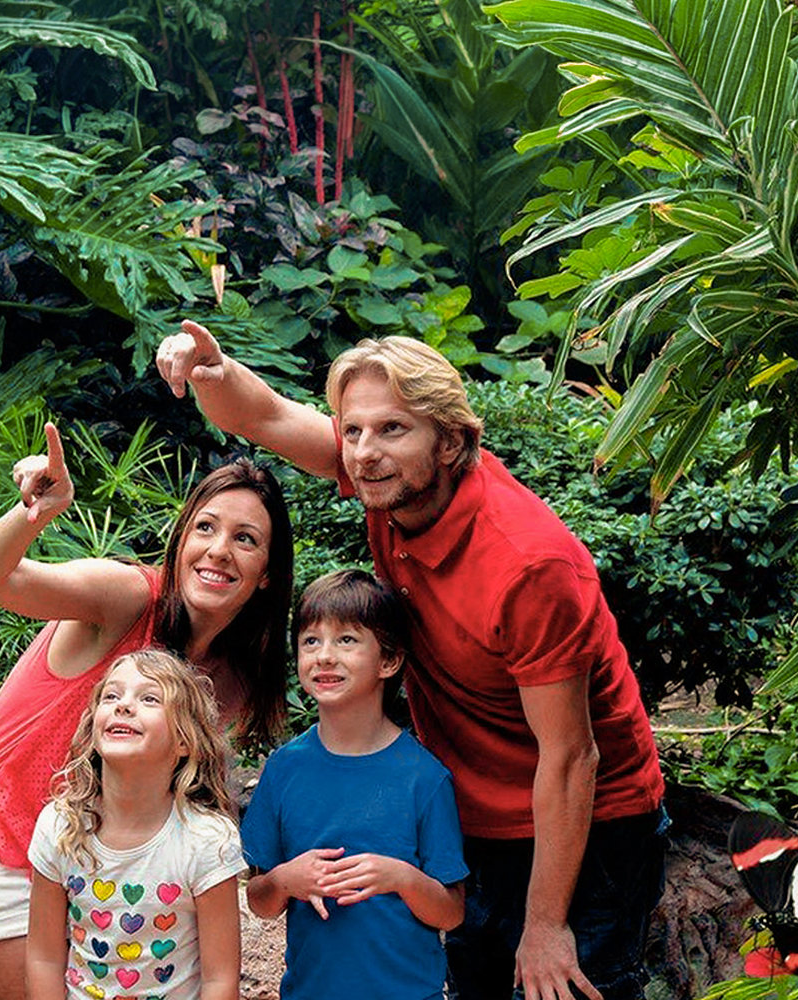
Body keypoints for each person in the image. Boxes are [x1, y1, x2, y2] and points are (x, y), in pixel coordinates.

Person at [156, 322, 667, 1000]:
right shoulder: (393, 483)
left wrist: (545, 924)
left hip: (585, 831)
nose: (364, 454)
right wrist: (211, 371)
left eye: (393, 429)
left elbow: (572, 758)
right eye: (353, 431)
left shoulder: (527, 566)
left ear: (451, 441)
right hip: (474, 813)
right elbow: (269, 414)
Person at [0, 421, 294, 998]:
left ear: (267, 573)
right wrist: (38, 513)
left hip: (112, 864)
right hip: (4, 838)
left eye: (245, 539)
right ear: (181, 540)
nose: (219, 549)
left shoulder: (231, 681)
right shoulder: (127, 597)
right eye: (205, 528)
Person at [243, 568, 467, 1000]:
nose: (324, 656)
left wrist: (401, 877)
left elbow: (452, 912)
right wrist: (287, 880)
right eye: (311, 641)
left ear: (389, 660)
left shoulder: (424, 777)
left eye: (346, 640)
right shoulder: (284, 770)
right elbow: (260, 900)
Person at [26, 649, 245, 1000]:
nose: (123, 705)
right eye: (111, 696)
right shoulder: (61, 827)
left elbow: (220, 980)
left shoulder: (206, 841)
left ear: (185, 741)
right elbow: (43, 958)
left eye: (150, 698)